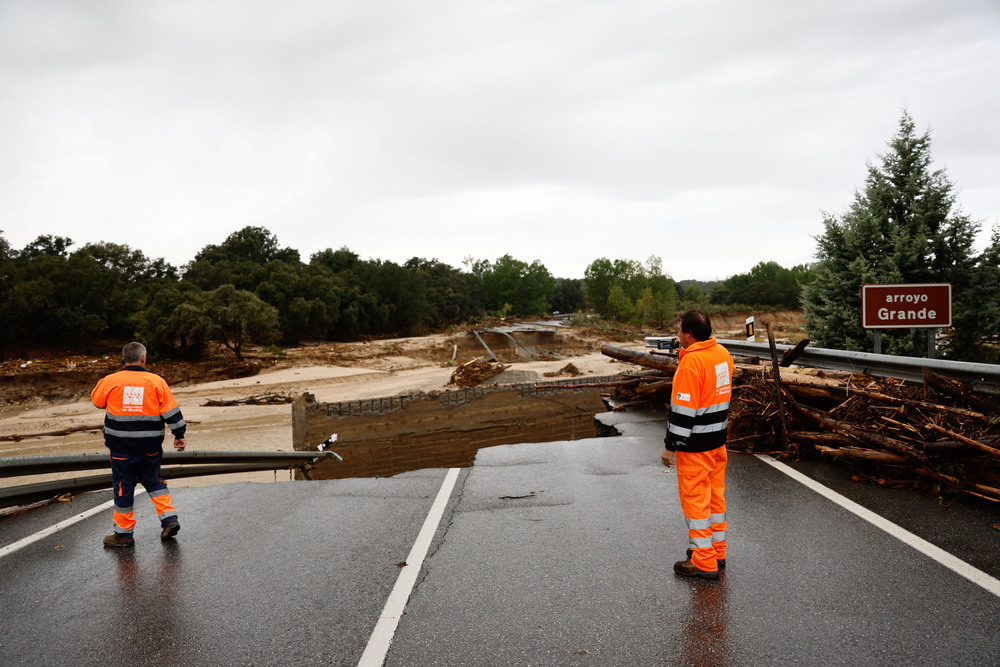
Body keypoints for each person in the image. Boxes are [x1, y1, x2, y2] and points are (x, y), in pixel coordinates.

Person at [91, 342, 187, 548]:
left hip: (121, 449)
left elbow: (97, 401)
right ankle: (170, 520)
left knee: (123, 486)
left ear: (123, 358)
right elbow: (171, 412)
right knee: (154, 481)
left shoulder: (110, 380)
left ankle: (123, 535)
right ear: (143, 358)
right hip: (150, 447)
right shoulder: (156, 381)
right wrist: (179, 434)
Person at [662, 310, 734, 580]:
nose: (677, 334)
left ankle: (703, 561)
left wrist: (671, 446)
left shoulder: (691, 364)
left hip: (696, 446)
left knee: (696, 501)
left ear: (690, 334)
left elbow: (683, 411)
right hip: (717, 442)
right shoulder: (723, 354)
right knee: (715, 496)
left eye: (679, 330)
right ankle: (717, 550)